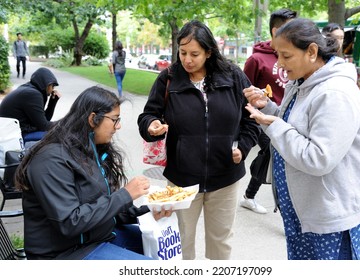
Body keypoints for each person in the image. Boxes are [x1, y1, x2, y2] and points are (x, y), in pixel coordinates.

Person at [244, 18, 360, 260]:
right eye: (277, 55)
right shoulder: (302, 82)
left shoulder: (335, 94)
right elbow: (295, 127)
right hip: (305, 212)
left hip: (331, 220)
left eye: (286, 56)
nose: (280, 64)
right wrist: (270, 109)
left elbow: (319, 158)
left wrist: (275, 126)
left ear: (312, 51)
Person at [138, 20, 259, 260]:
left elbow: (253, 118)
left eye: (194, 54)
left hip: (225, 178)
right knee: (181, 244)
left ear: (209, 52)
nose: (187, 60)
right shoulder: (169, 78)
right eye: (182, 52)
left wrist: (243, 148)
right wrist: (151, 125)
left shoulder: (233, 76)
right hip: (182, 180)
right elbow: (148, 115)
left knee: (220, 244)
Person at [14, 86, 172, 260]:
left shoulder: (89, 149)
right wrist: (125, 195)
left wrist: (149, 209)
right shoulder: (50, 160)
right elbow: (70, 222)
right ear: (92, 119)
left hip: (95, 237)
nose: (118, 126)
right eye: (115, 119)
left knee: (161, 247)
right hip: (64, 254)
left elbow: (101, 207)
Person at [240, 8, 297, 214]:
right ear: (276, 30)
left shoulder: (296, 55)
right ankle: (285, 209)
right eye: (291, 28)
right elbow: (244, 90)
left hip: (285, 116)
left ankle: (249, 195)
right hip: (261, 118)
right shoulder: (257, 59)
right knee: (275, 154)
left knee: (273, 156)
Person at [0, 67, 61, 144]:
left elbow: (45, 120)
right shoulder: (33, 94)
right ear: (47, 84)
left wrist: (53, 101)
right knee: (60, 135)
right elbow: (44, 126)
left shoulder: (29, 89)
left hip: (11, 131)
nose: (53, 89)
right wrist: (66, 123)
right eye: (52, 86)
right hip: (15, 135)